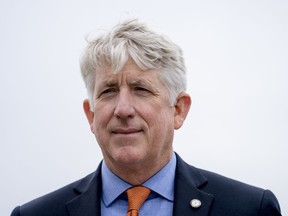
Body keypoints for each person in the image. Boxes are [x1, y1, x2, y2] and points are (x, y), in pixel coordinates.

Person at [11, 18, 281, 216]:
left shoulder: (249, 208)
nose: (123, 109)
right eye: (108, 90)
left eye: (141, 89)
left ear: (178, 109)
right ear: (90, 114)